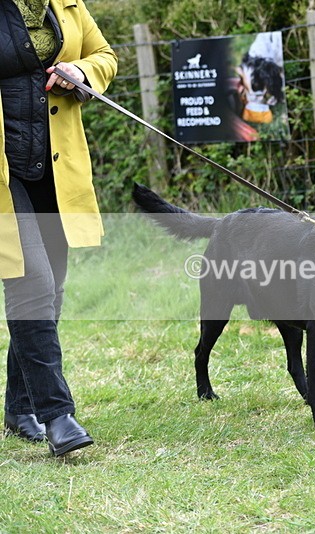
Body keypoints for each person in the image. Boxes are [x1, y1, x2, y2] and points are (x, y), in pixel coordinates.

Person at [0, 0, 117, 456]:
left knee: (53, 292)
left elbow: (105, 54)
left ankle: (18, 405)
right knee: (33, 282)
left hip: (56, 166)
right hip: (4, 175)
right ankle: (58, 415)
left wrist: (83, 73)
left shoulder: (67, 3)